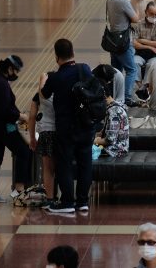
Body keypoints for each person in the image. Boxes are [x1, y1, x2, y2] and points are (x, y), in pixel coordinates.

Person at [42, 39, 94, 214]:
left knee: (64, 164)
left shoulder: (56, 77)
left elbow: (44, 93)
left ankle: (67, 202)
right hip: (86, 125)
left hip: (66, 128)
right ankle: (83, 201)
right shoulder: (84, 69)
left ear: (56, 56)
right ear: (73, 52)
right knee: (85, 163)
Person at [0, 55, 30, 204]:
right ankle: (19, 189)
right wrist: (21, 116)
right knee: (23, 151)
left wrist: (18, 115)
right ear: (9, 69)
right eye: (16, 71)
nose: (16, 74)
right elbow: (5, 110)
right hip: (5, 127)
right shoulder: (2, 83)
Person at [106, 0, 141, 106]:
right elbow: (135, 19)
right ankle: (127, 98)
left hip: (112, 40)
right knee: (132, 70)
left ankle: (115, 96)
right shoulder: (123, 1)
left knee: (116, 71)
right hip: (124, 42)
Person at [28, 71, 58, 205]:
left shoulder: (39, 97)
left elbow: (32, 117)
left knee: (48, 168)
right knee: (62, 166)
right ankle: (65, 197)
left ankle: (50, 198)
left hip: (45, 133)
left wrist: (32, 138)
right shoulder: (61, 91)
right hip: (61, 132)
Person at [92, 65, 129, 159]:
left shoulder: (114, 112)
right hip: (112, 148)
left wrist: (94, 140)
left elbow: (109, 140)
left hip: (115, 151)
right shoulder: (112, 108)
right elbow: (105, 132)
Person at [133, 1, 156, 72]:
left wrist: (141, 40)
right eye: (151, 14)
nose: (154, 17)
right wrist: (150, 47)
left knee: (152, 64)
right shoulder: (138, 24)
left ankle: (147, 83)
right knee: (134, 62)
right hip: (140, 54)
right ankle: (138, 83)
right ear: (146, 12)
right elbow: (134, 44)